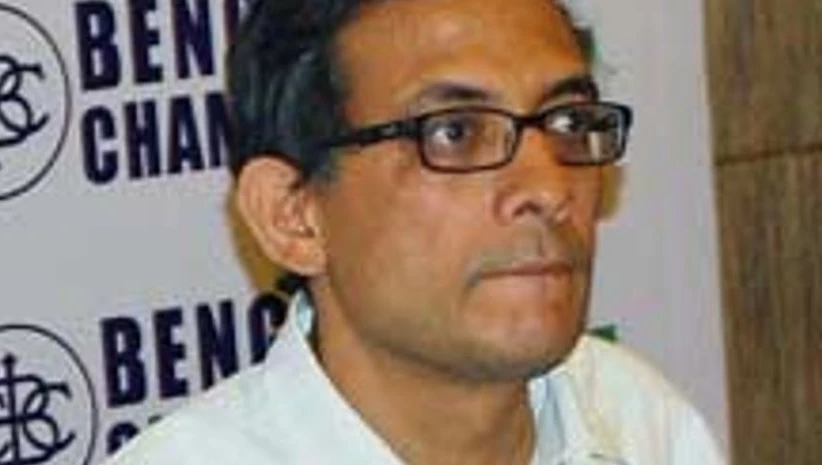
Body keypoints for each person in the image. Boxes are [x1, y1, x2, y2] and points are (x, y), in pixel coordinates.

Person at [105, 0, 726, 464]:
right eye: (455, 133)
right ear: (292, 215)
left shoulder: (640, 425)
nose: (549, 189)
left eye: (567, 121)